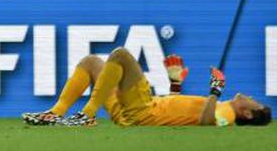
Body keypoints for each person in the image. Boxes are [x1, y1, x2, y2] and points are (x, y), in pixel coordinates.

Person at [25, 48, 271, 127]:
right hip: (135, 112)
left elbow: (208, 122)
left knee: (120, 55)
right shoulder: (219, 107)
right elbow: (175, 110)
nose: (249, 96)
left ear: (247, 114)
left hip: (142, 111)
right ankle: (57, 112)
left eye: (254, 101)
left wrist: (215, 90)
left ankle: (86, 114)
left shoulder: (225, 112)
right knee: (91, 62)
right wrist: (175, 84)